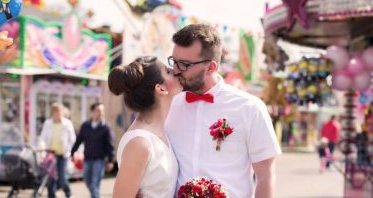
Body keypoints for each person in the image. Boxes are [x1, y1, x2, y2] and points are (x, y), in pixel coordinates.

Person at [165, 24, 282, 198]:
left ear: (211, 67)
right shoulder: (168, 104)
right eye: (174, 61)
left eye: (184, 64)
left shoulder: (250, 108)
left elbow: (265, 176)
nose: (175, 70)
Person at [108, 56, 182, 198]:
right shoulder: (140, 143)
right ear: (160, 88)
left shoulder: (161, 132)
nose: (175, 70)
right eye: (167, 70)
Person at [70, 102, 114, 198]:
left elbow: (110, 145)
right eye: (98, 110)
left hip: (99, 160)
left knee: (95, 184)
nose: (101, 113)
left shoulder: (106, 127)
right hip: (87, 159)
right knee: (87, 181)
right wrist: (72, 152)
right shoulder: (85, 126)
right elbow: (79, 140)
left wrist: (110, 160)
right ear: (92, 112)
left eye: (102, 111)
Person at [39, 102, 76, 198]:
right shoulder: (48, 123)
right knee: (51, 178)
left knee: (63, 178)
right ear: (52, 113)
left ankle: (69, 194)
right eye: (55, 112)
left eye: (59, 112)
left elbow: (72, 139)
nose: (58, 114)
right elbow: (43, 138)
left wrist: (68, 150)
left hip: (62, 154)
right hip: (51, 155)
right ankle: (51, 195)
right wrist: (42, 147)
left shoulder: (67, 124)